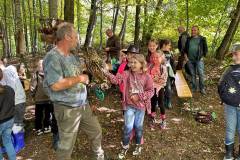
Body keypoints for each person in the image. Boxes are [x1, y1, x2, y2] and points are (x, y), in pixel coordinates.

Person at [43, 23, 105, 160]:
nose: (77, 40)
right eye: (76, 37)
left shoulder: (72, 56)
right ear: (67, 37)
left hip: (83, 106)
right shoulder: (52, 57)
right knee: (66, 146)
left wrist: (89, 77)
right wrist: (80, 78)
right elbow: (55, 85)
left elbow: (79, 77)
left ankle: (98, 157)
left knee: (96, 131)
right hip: (67, 109)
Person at [103, 54, 154, 159]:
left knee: (138, 128)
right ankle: (125, 146)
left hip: (141, 107)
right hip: (129, 106)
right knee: (127, 128)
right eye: (131, 62)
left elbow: (151, 91)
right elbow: (116, 80)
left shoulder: (146, 76)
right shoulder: (126, 74)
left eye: (135, 62)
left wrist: (139, 96)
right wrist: (106, 72)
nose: (133, 64)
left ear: (141, 64)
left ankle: (138, 145)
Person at [218, 46, 240, 160]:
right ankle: (229, 153)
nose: (234, 56)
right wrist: (225, 98)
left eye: (236, 54)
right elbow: (221, 85)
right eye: (233, 54)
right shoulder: (229, 69)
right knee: (230, 129)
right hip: (230, 104)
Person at [30, 60, 53, 135]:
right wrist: (33, 95)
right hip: (40, 99)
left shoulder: (49, 74)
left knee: (47, 114)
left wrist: (33, 95)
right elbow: (33, 87)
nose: (41, 66)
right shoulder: (36, 75)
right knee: (39, 115)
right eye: (40, 65)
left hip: (48, 99)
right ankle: (39, 128)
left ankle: (46, 127)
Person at [184, 26, 208, 94]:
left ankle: (202, 88)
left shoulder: (202, 39)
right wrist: (186, 58)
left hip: (199, 59)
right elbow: (185, 50)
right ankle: (194, 87)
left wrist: (203, 57)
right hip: (190, 60)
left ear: (198, 31)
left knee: (201, 74)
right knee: (192, 74)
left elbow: (205, 49)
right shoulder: (188, 39)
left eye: (194, 30)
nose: (193, 32)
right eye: (192, 30)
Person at [148, 52, 168, 129]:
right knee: (152, 102)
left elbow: (163, 79)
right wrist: (154, 79)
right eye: (153, 57)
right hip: (152, 87)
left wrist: (155, 79)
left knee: (161, 103)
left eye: (157, 57)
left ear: (161, 58)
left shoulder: (163, 67)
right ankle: (152, 118)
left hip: (160, 88)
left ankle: (163, 119)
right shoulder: (150, 66)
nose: (154, 59)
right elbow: (148, 77)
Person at [0, 68, 16, 160]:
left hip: (3, 120)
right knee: (8, 141)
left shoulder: (8, 89)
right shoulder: (9, 89)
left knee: (7, 141)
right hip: (10, 119)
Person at [160, 39, 175, 109]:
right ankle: (158, 101)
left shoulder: (170, 53)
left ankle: (168, 101)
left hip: (168, 74)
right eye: (169, 45)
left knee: (168, 88)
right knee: (159, 88)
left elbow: (172, 64)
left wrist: (174, 73)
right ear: (164, 45)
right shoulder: (158, 52)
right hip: (159, 74)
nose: (170, 46)